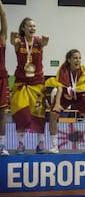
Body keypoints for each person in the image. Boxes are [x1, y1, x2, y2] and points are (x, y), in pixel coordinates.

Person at [45, 49, 85, 154]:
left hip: (79, 93)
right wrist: (58, 103)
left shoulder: (82, 70)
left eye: (79, 58)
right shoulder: (62, 70)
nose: (78, 60)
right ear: (69, 60)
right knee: (53, 115)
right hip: (64, 94)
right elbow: (59, 87)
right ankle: (54, 146)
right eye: (75, 58)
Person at [10, 17, 49, 154]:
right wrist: (13, 40)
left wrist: (45, 42)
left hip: (37, 84)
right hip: (21, 83)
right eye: (30, 26)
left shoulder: (39, 42)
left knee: (39, 114)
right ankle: (20, 143)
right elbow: (12, 42)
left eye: (34, 26)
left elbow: (45, 42)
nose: (33, 28)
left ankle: (41, 143)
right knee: (20, 112)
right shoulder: (19, 42)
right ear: (23, 28)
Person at [0, 0, 9, 156]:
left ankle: (1, 145)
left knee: (2, 115)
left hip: (2, 79)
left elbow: (3, 14)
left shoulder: (1, 38)